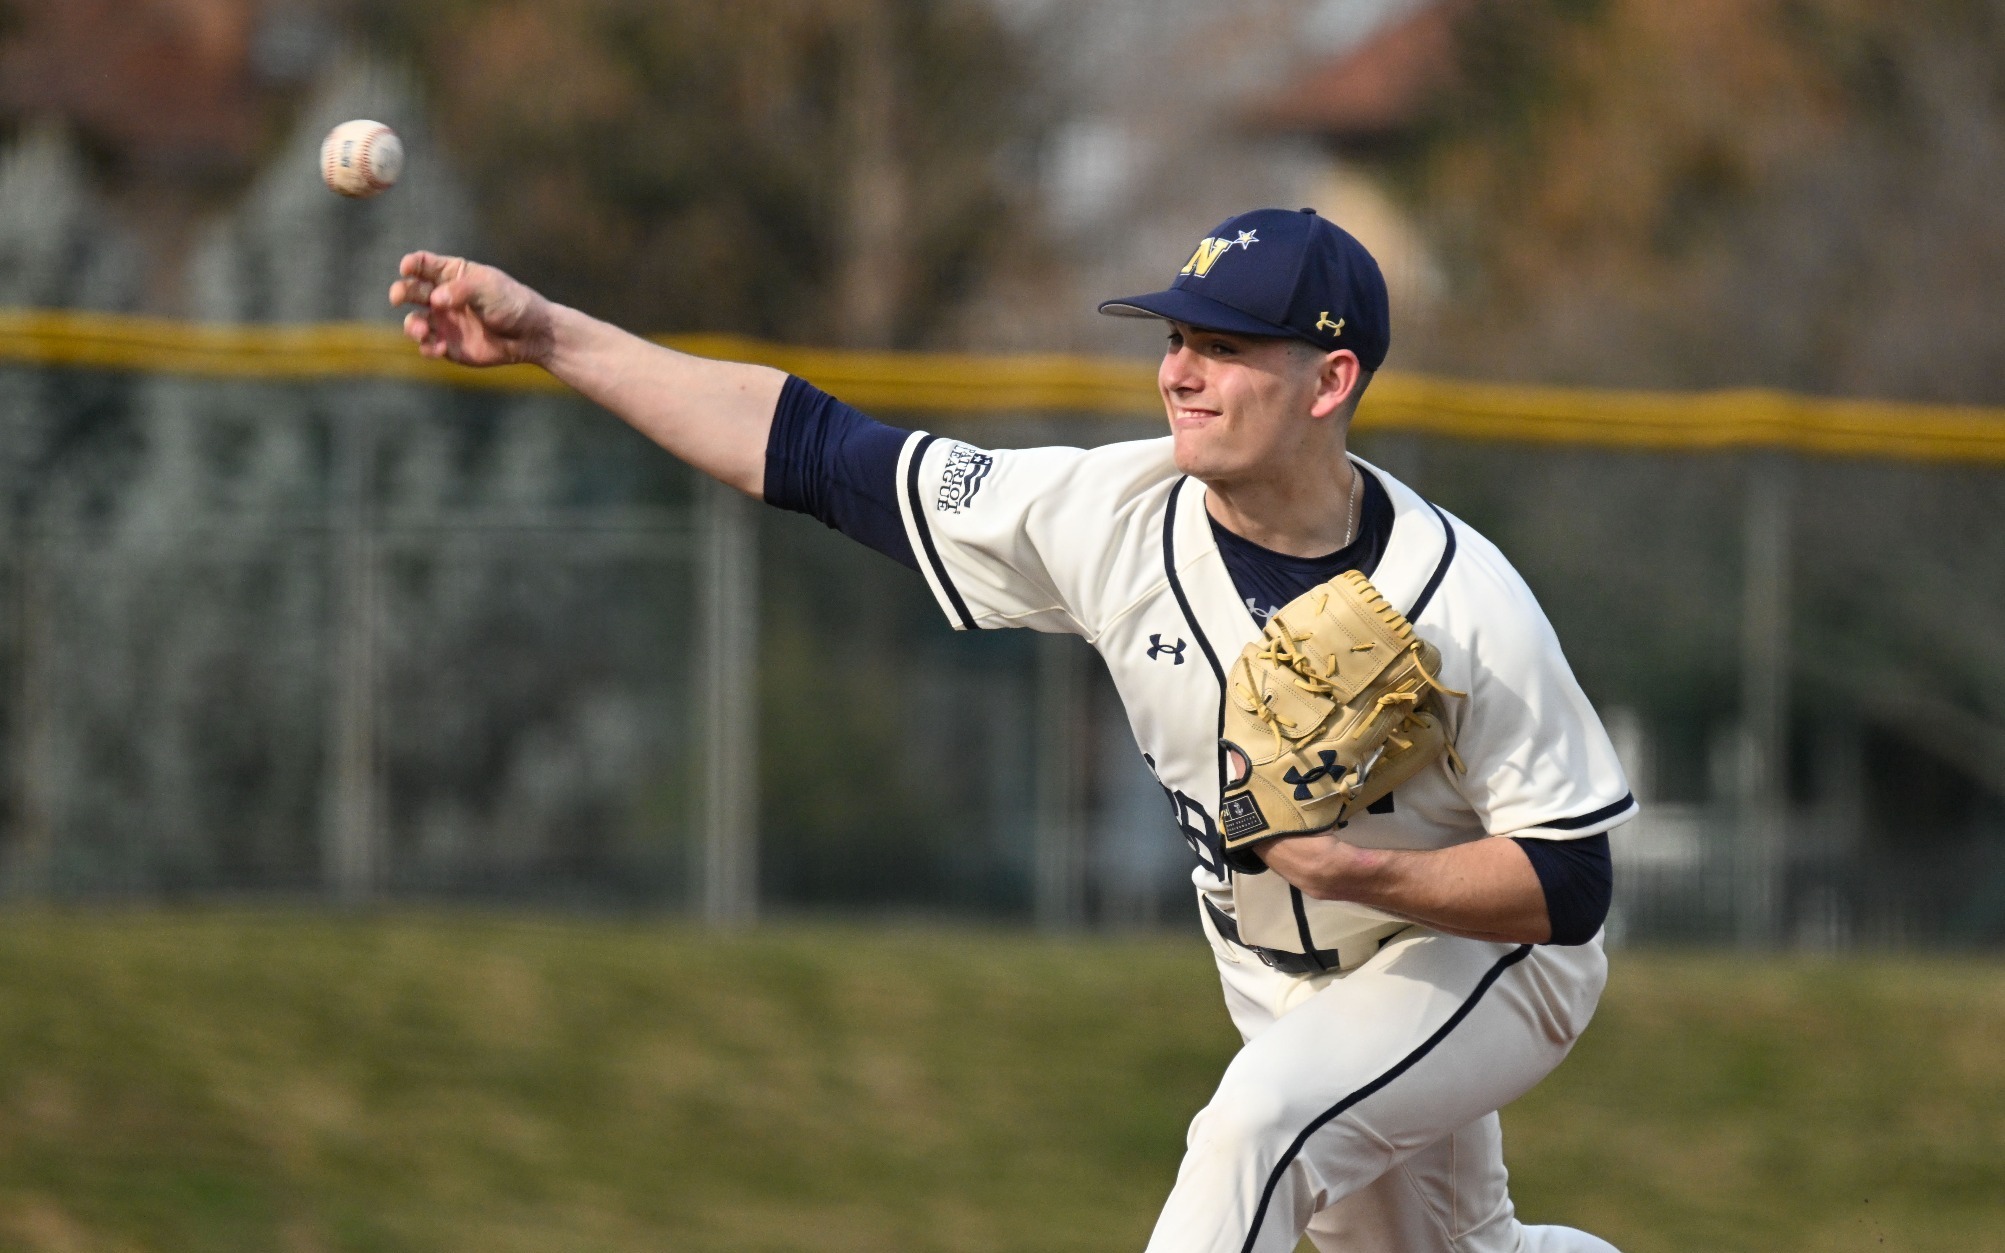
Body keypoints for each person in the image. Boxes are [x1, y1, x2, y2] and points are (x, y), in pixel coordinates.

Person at [391, 206, 1634, 1253]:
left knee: (1256, 1126)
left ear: (1331, 379)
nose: (1179, 371)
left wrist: (1363, 870)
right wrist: (552, 334)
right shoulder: (1108, 513)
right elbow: (817, 450)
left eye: (1225, 347)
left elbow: (1573, 881)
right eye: (1177, 338)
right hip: (1284, 977)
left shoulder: (1460, 602)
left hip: (1486, 958)